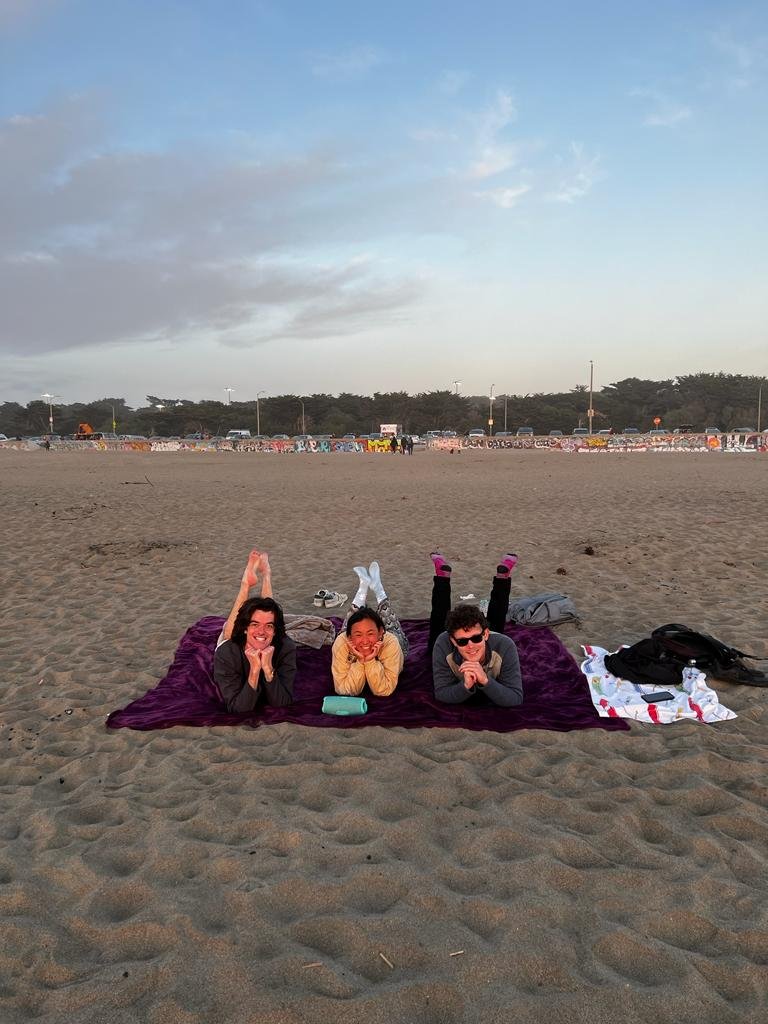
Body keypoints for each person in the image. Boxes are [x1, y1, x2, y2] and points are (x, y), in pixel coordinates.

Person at [429, 551, 523, 706]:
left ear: (485, 634)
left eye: (476, 638)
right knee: (439, 625)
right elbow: (442, 693)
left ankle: (502, 578)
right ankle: (442, 577)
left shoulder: (505, 646)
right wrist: (465, 686)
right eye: (462, 641)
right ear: (453, 641)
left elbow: (515, 698)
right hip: (451, 643)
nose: (471, 645)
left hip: (492, 642)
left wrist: (485, 680)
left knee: (496, 626)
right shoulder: (443, 644)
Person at [214, 550, 296, 711]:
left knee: (267, 611)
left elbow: (282, 702)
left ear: (275, 631)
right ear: (245, 628)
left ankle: (266, 575)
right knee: (229, 634)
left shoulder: (286, 647)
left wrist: (268, 669)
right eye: (254, 625)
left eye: (269, 627)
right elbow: (238, 708)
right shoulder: (226, 654)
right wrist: (254, 671)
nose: (261, 631)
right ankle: (246, 585)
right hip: (234, 641)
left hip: (268, 639)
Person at [331, 561, 409, 697]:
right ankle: (363, 588)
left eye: (370, 633)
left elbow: (384, 690)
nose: (365, 641)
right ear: (349, 637)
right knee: (352, 624)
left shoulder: (391, 643)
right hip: (351, 640)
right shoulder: (342, 643)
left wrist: (370, 660)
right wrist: (361, 661)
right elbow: (344, 689)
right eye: (358, 635)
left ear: (381, 632)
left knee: (391, 623)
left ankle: (378, 590)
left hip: (391, 642)